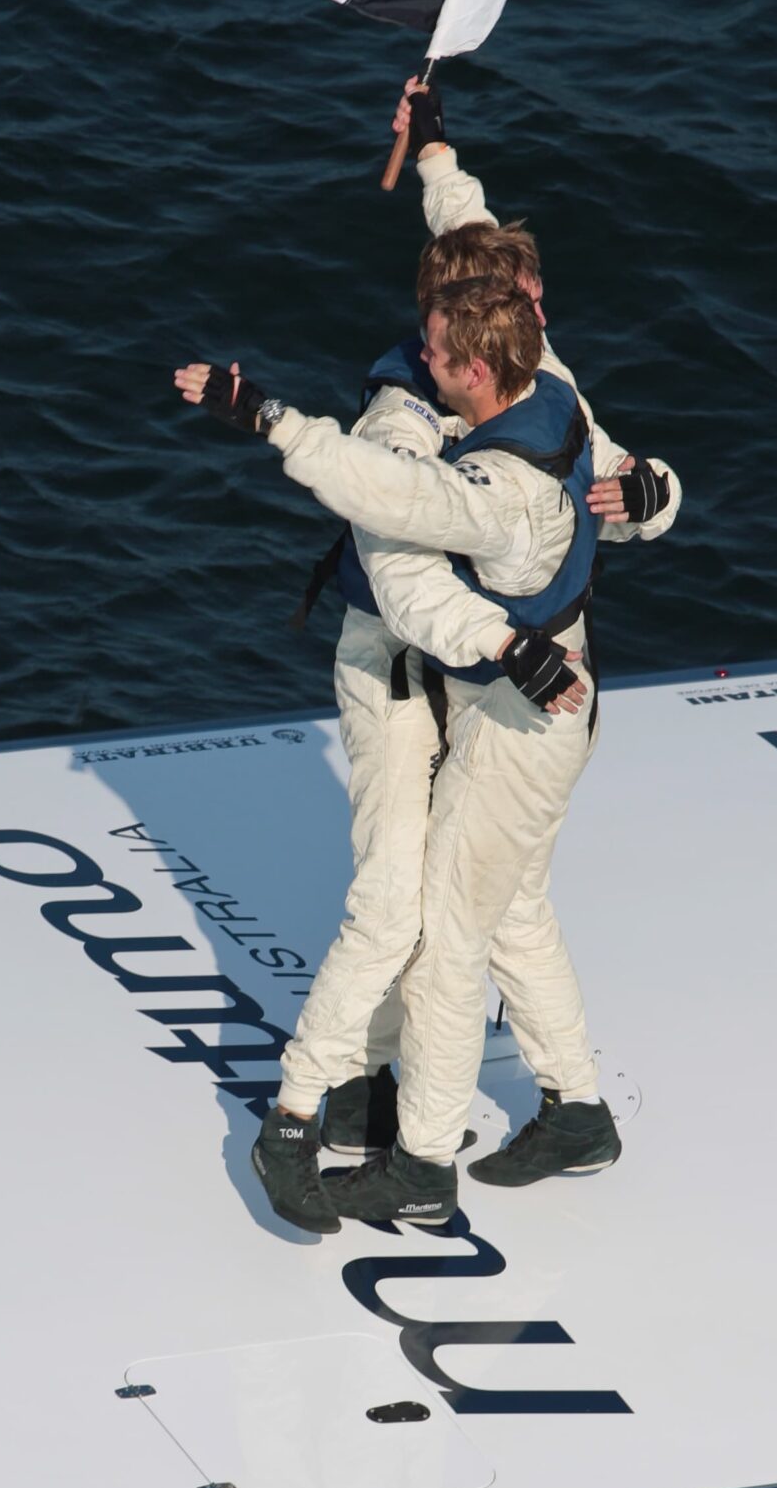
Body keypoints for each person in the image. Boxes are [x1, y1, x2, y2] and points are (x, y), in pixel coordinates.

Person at [175, 264, 682, 1230]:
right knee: (469, 907)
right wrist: (437, 153)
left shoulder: (492, 486)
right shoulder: (539, 389)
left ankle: (409, 1159)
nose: (423, 354)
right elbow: (400, 492)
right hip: (499, 687)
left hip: (513, 708)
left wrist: (265, 418)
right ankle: (568, 1107)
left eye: (442, 352)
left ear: (482, 374)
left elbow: (407, 538)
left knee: (443, 935)